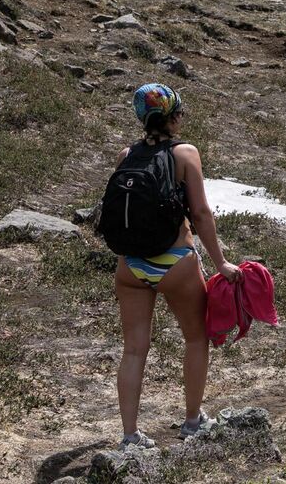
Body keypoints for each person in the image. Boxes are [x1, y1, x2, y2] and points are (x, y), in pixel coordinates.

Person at [105, 83, 242, 450]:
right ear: (172, 117)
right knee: (196, 338)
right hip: (175, 262)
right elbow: (199, 212)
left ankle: (130, 435)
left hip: (130, 264)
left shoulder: (126, 154)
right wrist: (221, 263)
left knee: (134, 349)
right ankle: (192, 422)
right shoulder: (185, 153)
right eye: (180, 112)